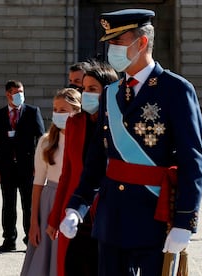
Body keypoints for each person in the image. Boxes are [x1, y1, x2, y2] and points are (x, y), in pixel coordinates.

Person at [60, 9, 202, 275]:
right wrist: (77, 205)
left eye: (117, 43)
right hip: (111, 218)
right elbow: (97, 157)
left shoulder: (175, 89)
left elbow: (192, 158)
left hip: (155, 217)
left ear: (141, 43)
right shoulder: (111, 93)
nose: (110, 50)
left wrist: (185, 221)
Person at [47, 61, 119, 276]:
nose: (85, 93)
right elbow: (67, 173)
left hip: (110, 213)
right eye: (84, 88)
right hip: (78, 211)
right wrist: (56, 216)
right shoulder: (75, 123)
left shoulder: (119, 123)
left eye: (92, 89)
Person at [20, 88, 81, 276]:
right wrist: (33, 223)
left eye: (64, 110)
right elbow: (38, 183)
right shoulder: (46, 142)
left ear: (77, 110)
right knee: (47, 256)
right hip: (51, 201)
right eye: (56, 109)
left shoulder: (83, 139)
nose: (58, 114)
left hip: (76, 199)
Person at [0, 80, 45, 252]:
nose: (19, 94)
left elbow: (41, 139)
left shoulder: (32, 112)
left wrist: (40, 164)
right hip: (7, 167)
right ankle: (9, 239)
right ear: (8, 94)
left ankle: (30, 238)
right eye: (16, 92)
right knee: (8, 205)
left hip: (27, 167)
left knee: (28, 204)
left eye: (21, 91)